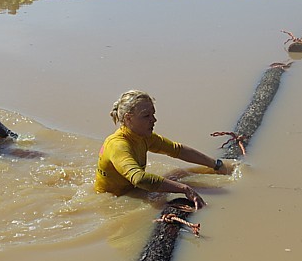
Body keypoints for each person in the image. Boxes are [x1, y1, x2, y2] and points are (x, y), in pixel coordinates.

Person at [94, 90, 229, 210]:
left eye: (153, 114)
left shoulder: (144, 137)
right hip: (113, 200)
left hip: (133, 190)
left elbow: (177, 150)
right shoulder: (118, 145)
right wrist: (184, 188)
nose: (154, 120)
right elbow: (139, 178)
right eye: (146, 116)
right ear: (128, 118)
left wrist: (216, 165)